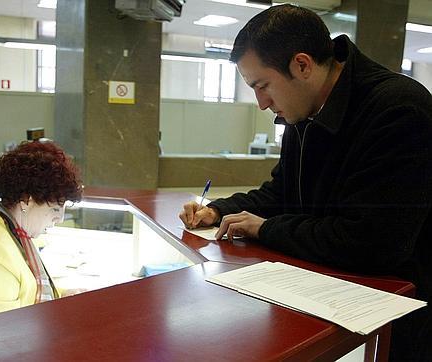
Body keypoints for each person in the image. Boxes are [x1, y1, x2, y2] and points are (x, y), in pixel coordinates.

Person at [179, 4, 432, 360]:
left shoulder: (399, 110)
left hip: (396, 317)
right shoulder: (305, 110)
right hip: (325, 298)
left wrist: (264, 229)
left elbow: (371, 243)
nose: (261, 104)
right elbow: (281, 192)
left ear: (302, 65)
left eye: (262, 85)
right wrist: (220, 210)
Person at [0, 140, 83, 315]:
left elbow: (27, 290)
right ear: (26, 200)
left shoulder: (4, 223)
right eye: (55, 208)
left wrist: (62, 296)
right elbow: (2, 333)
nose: (60, 218)